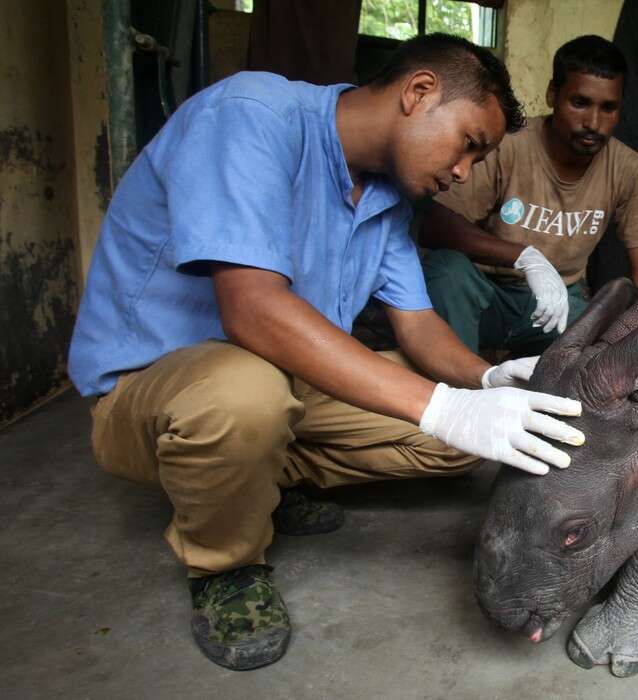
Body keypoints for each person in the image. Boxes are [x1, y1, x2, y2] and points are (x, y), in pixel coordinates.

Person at [67, 34, 586, 671]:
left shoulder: (390, 198)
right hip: (153, 391)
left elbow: (417, 325)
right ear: (419, 92)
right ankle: (226, 565)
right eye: (470, 145)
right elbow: (252, 307)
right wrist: (440, 404)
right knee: (244, 394)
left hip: (279, 382)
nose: (463, 173)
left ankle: (254, 481)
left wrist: (486, 379)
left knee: (462, 441)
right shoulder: (251, 117)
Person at [418, 35, 638, 357]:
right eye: (580, 103)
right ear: (553, 94)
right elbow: (435, 226)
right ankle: (459, 385)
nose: (593, 122)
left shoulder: (628, 168)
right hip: (486, 292)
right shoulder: (510, 144)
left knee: (598, 330)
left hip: (558, 304)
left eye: (608, 108)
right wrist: (525, 257)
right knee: (446, 271)